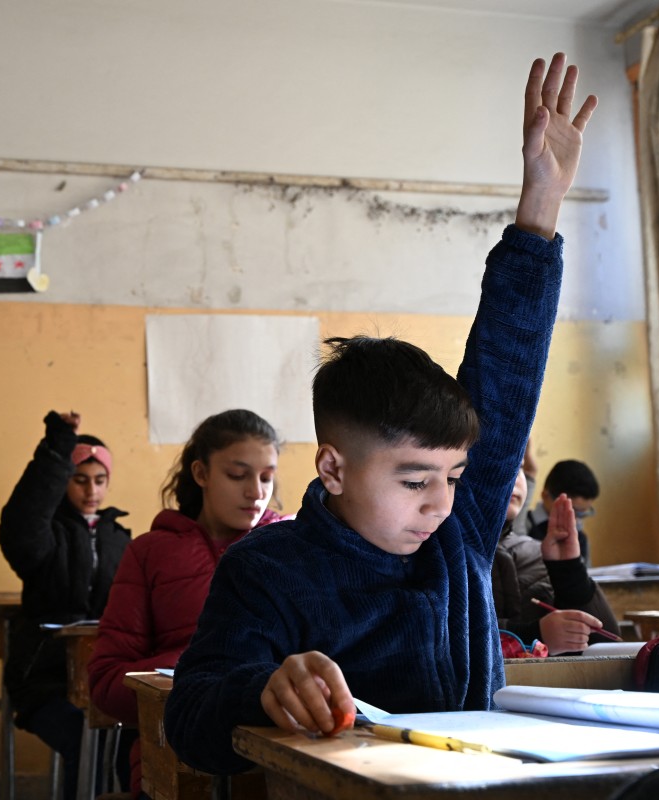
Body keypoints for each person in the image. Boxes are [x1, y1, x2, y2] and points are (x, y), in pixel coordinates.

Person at [163, 52, 598, 775]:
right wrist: (263, 688)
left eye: (455, 475)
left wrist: (540, 211)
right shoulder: (266, 570)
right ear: (332, 466)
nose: (440, 502)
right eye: (414, 479)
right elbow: (190, 717)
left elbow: (505, 375)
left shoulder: (456, 536)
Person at [88, 409, 286, 798]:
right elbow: (105, 681)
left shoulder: (290, 548)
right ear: (201, 474)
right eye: (237, 474)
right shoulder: (149, 552)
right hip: (173, 759)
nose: (256, 492)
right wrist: (202, 661)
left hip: (279, 762)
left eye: (266, 476)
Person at [0, 409, 131, 800]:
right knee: (81, 735)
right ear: (63, 482)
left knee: (130, 739)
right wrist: (58, 447)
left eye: (100, 481)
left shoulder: (120, 539)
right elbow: (22, 522)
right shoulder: (43, 537)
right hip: (44, 678)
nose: (91, 491)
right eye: (79, 480)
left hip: (101, 675)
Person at [494, 464, 619, 655]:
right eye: (498, 464)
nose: (512, 475)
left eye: (518, 466)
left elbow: (604, 646)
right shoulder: (443, 555)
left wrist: (569, 571)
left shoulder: (538, 550)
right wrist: (533, 634)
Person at [523, 459, 599, 566]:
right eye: (572, 511)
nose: (576, 520)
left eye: (583, 514)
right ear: (546, 496)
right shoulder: (523, 526)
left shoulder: (581, 539)